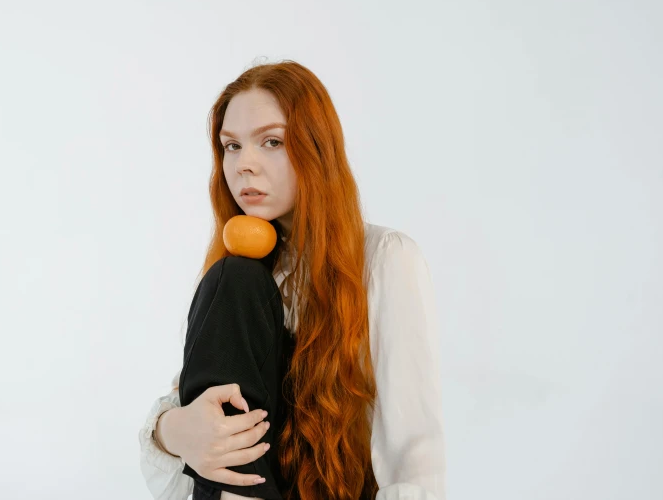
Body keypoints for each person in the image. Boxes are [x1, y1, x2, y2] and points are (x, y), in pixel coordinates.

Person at [139, 60, 446, 500]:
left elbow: (416, 457)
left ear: (316, 148)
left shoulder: (385, 258)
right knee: (235, 277)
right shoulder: (239, 277)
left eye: (271, 142)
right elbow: (189, 409)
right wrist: (173, 430)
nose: (245, 164)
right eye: (231, 146)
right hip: (244, 490)